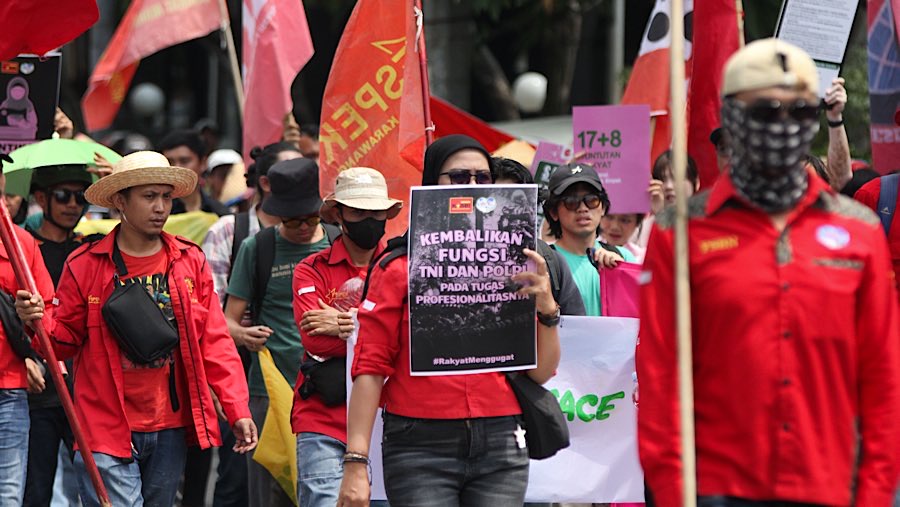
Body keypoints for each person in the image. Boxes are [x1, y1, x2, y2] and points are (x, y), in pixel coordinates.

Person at [637, 39, 900, 506]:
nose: (782, 125)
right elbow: (660, 380)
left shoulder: (858, 231)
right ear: (733, 119)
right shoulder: (679, 231)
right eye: (765, 111)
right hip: (717, 488)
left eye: (799, 111)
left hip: (830, 486)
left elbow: (881, 383)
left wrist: (876, 496)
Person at [15, 151, 258, 507]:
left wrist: (237, 407)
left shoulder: (189, 261)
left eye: (165, 196)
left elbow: (215, 341)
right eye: (148, 196)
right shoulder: (84, 264)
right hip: (103, 424)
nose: (160, 207)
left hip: (170, 424)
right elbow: (62, 342)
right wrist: (34, 319)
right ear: (119, 201)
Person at [336, 134, 561, 507]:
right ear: (430, 184)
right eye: (459, 178)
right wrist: (356, 462)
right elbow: (370, 368)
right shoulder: (396, 267)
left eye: (482, 178)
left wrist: (546, 308)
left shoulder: (522, 262)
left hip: (502, 441)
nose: (473, 187)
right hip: (420, 446)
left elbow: (541, 373)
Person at [291, 167, 402, 507]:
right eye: (358, 212)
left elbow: (410, 340)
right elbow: (316, 340)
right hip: (323, 419)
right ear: (338, 214)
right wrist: (381, 325)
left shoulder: (403, 268)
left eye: (376, 212)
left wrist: (345, 321)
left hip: (389, 421)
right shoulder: (309, 269)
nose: (369, 219)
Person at [224, 158, 331, 507]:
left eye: (311, 218)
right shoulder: (258, 248)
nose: (303, 227)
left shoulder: (337, 243)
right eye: (292, 220)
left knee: (323, 488)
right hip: (269, 392)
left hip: (327, 390)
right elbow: (227, 321)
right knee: (270, 491)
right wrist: (244, 335)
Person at [202, 141, 301, 507]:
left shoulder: (324, 235)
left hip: (304, 380)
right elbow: (209, 312)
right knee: (239, 477)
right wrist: (240, 334)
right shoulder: (232, 231)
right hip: (244, 380)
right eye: (288, 173)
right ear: (265, 183)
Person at [23, 164, 101, 507]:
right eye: (62, 195)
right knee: (34, 489)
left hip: (85, 389)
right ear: (41, 198)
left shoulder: (93, 250)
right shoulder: (22, 250)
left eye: (81, 196)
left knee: (96, 484)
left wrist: (120, 178)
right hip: (37, 388)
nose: (73, 204)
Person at [0, 157, 55, 506]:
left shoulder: (21, 243)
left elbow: (47, 311)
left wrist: (35, 355)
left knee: (9, 492)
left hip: (10, 386)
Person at [492, 156, 586, 316]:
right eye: (495, 201)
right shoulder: (453, 261)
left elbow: (578, 333)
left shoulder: (551, 262)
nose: (507, 210)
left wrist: (550, 310)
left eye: (518, 202)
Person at [542, 163, 635, 316]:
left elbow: (640, 312)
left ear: (603, 207)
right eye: (571, 201)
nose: (583, 208)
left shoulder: (624, 257)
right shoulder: (545, 263)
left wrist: (621, 272)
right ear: (553, 212)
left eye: (591, 200)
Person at [158, 129, 231, 216]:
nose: (176, 168)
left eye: (184, 161)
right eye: (169, 162)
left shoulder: (219, 213)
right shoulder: (157, 213)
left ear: (203, 163)